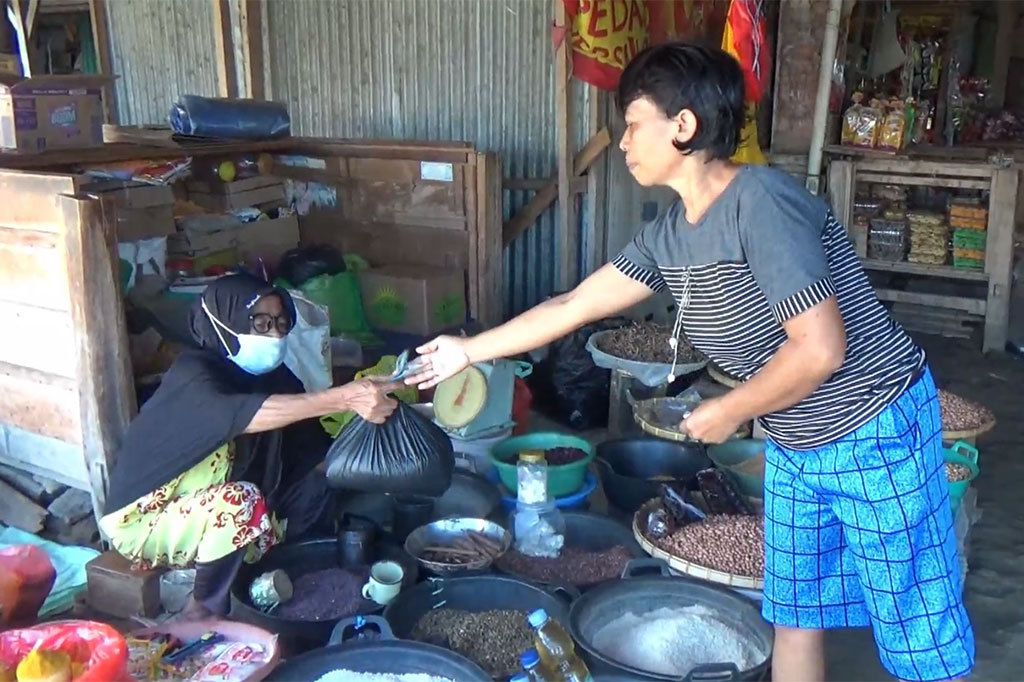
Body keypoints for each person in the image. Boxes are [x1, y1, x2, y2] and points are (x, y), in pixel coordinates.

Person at [407, 43, 973, 682]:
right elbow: (572, 305)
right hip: (794, 441)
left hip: (875, 428)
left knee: (916, 625)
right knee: (794, 614)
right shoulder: (670, 234)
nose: (623, 143)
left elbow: (819, 349)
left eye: (633, 124)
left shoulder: (759, 202)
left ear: (684, 126)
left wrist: (728, 410)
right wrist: (468, 349)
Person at [100, 273, 397, 620]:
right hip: (150, 517)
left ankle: (298, 571)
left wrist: (374, 445)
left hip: (216, 502)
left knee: (316, 484)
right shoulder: (193, 376)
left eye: (281, 323)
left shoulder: (275, 377)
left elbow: (311, 446)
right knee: (239, 502)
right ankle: (203, 610)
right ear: (224, 322)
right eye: (260, 323)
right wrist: (344, 398)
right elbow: (244, 415)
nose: (273, 335)